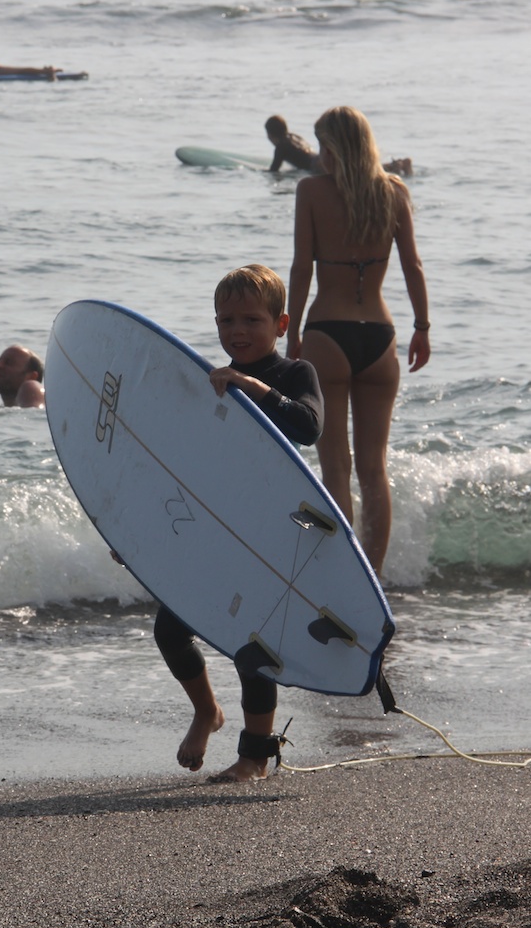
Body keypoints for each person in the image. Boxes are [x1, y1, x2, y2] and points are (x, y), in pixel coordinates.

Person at [153, 264, 324, 782]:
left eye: (251, 319)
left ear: (281, 323)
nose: (237, 331)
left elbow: (309, 427)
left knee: (252, 646)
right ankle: (207, 710)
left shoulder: (294, 375)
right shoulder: (209, 384)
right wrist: (138, 528)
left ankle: (254, 754)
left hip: (269, 533)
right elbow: (184, 466)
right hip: (214, 528)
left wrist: (254, 388)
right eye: (226, 320)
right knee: (169, 628)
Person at [286, 106, 430, 576]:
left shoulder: (310, 191)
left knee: (336, 469)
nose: (321, 155)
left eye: (322, 145)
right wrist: (422, 327)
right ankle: (375, 576)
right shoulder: (393, 192)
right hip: (381, 337)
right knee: (374, 470)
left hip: (328, 333)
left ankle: (343, 579)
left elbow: (302, 266)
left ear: (333, 148)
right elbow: (413, 266)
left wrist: (290, 336)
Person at [265, 114, 413, 177]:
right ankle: (396, 165)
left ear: (270, 135)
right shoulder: (293, 137)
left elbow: (274, 171)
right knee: (358, 171)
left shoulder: (281, 147)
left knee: (356, 173)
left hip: (316, 166)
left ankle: (395, 167)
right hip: (319, 159)